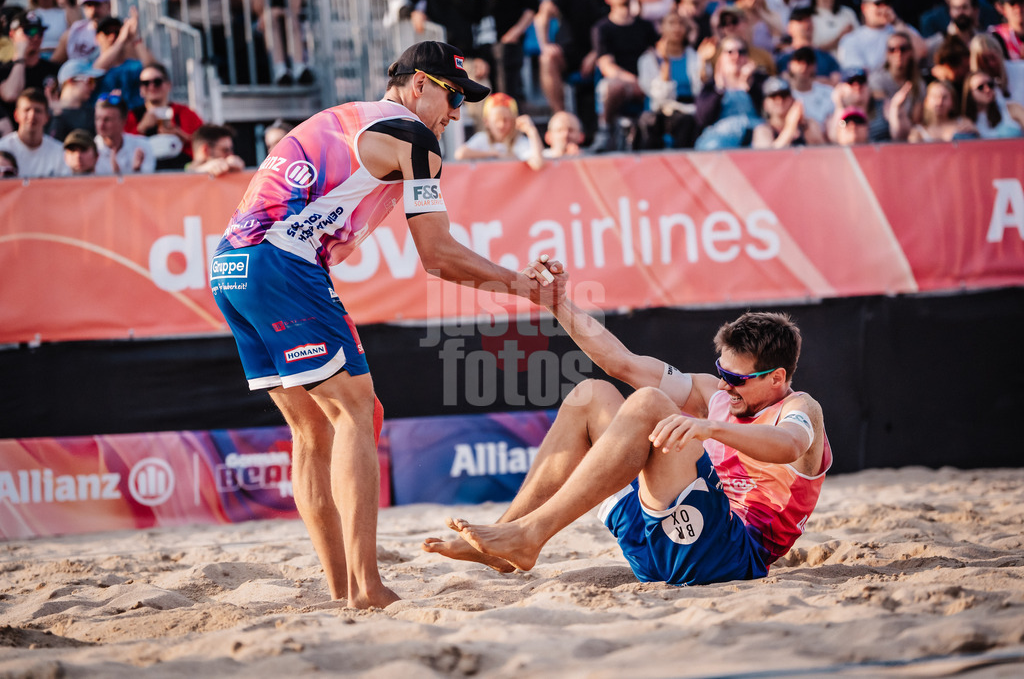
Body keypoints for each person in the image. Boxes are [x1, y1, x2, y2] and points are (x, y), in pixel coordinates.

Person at [208, 40, 564, 609]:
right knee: (357, 411)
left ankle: (344, 589)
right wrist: (523, 286)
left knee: (313, 431)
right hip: (280, 264)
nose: (456, 114)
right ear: (418, 85)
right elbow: (438, 256)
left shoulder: (344, 116)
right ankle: (367, 588)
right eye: (452, 97)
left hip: (230, 265)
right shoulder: (414, 137)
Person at [426, 299, 831, 589]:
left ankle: (532, 534)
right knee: (591, 394)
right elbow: (622, 363)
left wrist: (711, 429)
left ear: (776, 377)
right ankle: (503, 537)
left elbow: (788, 444)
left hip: (728, 557)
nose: (724, 384)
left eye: (737, 378)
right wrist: (555, 302)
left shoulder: (801, 408)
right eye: (721, 370)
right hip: (655, 550)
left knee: (653, 403)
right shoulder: (716, 395)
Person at [590, 0, 660, 152]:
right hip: (622, 83)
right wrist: (635, 82)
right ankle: (605, 131)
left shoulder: (645, 26)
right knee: (614, 87)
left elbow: (657, 56)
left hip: (648, 83)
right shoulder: (602, 28)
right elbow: (607, 66)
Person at [634, 9, 701, 150]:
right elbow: (659, 97)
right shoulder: (648, 60)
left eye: (681, 23)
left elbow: (699, 90)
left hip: (687, 110)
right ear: (661, 27)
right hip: (658, 111)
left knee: (688, 122)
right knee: (648, 124)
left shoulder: (696, 58)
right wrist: (665, 64)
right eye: (671, 23)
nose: (677, 28)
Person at [533, 0, 610, 115]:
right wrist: (545, 45)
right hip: (568, 54)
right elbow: (543, 12)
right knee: (547, 59)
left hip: (602, 55)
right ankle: (560, 115)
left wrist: (595, 54)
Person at [694, 35, 767, 150]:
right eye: (730, 52)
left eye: (741, 52)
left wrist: (749, 86)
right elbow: (702, 119)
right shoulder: (711, 86)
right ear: (720, 57)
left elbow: (770, 113)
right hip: (721, 137)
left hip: (755, 132)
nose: (736, 56)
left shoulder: (760, 81)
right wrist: (719, 91)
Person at [127, 62, 203, 170]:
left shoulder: (185, 113)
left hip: (182, 173)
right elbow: (120, 149)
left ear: (168, 85)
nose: (152, 86)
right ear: (141, 89)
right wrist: (141, 128)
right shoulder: (132, 116)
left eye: (157, 82)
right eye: (146, 83)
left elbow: (204, 145)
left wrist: (180, 135)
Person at [454, 91, 545, 169]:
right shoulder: (482, 138)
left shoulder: (519, 142)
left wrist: (532, 132)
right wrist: (494, 154)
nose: (501, 125)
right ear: (487, 121)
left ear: (514, 121)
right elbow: (460, 154)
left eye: (506, 120)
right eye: (496, 120)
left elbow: (538, 163)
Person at [837, 0, 926, 74]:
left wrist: (896, 22)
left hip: (905, 85)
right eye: (878, 4)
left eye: (887, 3)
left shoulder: (900, 28)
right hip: (874, 90)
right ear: (864, 8)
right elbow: (858, 75)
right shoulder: (851, 39)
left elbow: (922, 52)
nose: (884, 8)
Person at [0, 10, 59, 118]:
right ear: (12, 34)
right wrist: (21, 55)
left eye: (40, 32)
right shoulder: (3, 70)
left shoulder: (54, 70)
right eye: (29, 31)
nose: (36, 37)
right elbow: (11, 95)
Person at [869, 31, 925, 137]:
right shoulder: (877, 79)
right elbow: (885, 115)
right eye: (892, 49)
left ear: (911, 52)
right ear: (887, 54)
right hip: (882, 133)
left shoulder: (919, 84)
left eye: (903, 49)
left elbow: (916, 120)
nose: (898, 53)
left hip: (909, 133)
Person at [0, 86, 64, 175]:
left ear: (47, 118)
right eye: (27, 110)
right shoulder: (2, 147)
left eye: (38, 111)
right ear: (16, 115)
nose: (32, 115)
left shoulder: (59, 152)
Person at [751, 75, 825, 147]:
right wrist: (790, 127)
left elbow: (821, 151)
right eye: (773, 97)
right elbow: (767, 157)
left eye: (783, 96)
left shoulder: (808, 124)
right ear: (765, 104)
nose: (779, 101)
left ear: (792, 100)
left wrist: (805, 127)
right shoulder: (762, 130)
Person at [93, 91, 154, 174]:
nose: (101, 124)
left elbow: (149, 184)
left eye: (107, 120)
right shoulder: (88, 149)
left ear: (123, 121)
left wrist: (137, 171)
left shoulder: (143, 146)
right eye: (98, 118)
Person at [775, 6, 840, 83]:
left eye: (809, 19)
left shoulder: (826, 57)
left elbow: (836, 82)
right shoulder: (783, 58)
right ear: (789, 28)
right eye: (800, 20)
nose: (806, 23)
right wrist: (822, 81)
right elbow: (783, 80)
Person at [46, 57, 102, 140]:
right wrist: (57, 115)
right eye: (89, 81)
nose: (93, 87)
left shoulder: (93, 114)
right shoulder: (46, 112)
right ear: (70, 80)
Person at [908, 79, 978, 141]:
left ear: (953, 103)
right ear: (926, 102)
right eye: (935, 97)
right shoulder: (919, 132)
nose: (940, 102)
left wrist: (976, 132)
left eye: (944, 97)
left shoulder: (963, 123)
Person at [961, 68, 1024, 135]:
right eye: (980, 87)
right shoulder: (966, 121)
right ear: (970, 94)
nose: (988, 90)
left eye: (990, 84)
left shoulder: (1011, 108)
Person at [50, 0, 109, 65]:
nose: (93, 10)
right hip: (77, 74)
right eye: (89, 5)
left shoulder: (118, 31)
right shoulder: (75, 31)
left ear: (109, 5)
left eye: (97, 4)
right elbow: (54, 63)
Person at [787, 45, 835, 129]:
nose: (804, 67)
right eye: (799, 61)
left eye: (808, 62)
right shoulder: (784, 94)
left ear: (814, 66)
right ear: (790, 65)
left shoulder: (829, 93)